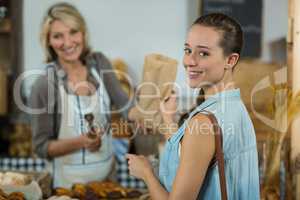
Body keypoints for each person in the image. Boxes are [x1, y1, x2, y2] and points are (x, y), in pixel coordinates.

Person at [126, 13, 260, 199]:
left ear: (230, 60)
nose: (189, 61)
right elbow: (195, 153)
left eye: (203, 53)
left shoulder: (204, 121)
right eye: (188, 50)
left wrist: (146, 174)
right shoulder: (234, 106)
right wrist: (167, 118)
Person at [29, 2, 134, 188]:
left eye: (73, 32)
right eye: (58, 36)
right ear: (48, 41)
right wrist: (82, 142)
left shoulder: (100, 64)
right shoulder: (44, 84)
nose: (68, 43)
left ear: (83, 32)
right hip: (65, 188)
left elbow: (126, 107)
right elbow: (41, 148)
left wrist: (147, 113)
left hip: (108, 182)